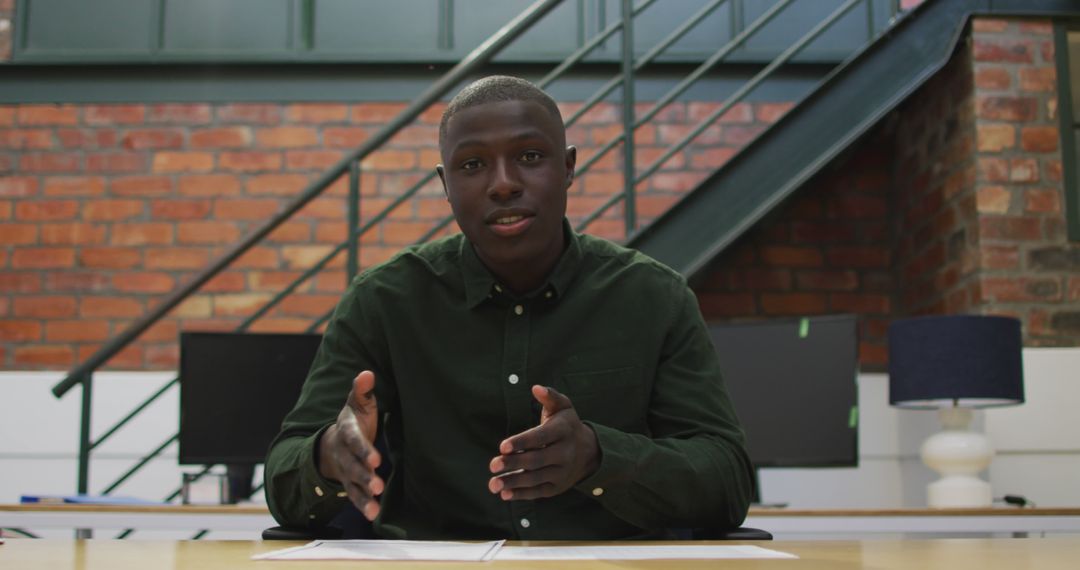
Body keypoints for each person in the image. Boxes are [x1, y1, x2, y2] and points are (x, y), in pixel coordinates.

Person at [264, 75, 754, 540]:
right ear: (446, 183)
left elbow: (728, 479)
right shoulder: (383, 301)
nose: (502, 184)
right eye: (472, 165)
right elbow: (284, 481)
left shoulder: (653, 297)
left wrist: (599, 457)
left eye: (530, 156)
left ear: (568, 167)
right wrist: (328, 455)